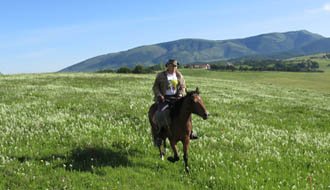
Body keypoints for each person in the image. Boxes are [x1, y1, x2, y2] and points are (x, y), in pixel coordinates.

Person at [152, 58, 199, 140]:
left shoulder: (179, 76)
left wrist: (181, 93)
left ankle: (191, 132)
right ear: (168, 66)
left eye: (175, 66)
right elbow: (155, 87)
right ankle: (160, 133)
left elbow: (183, 86)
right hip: (164, 98)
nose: (174, 68)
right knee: (161, 113)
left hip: (176, 98)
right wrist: (159, 95)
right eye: (172, 66)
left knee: (187, 111)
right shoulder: (161, 75)